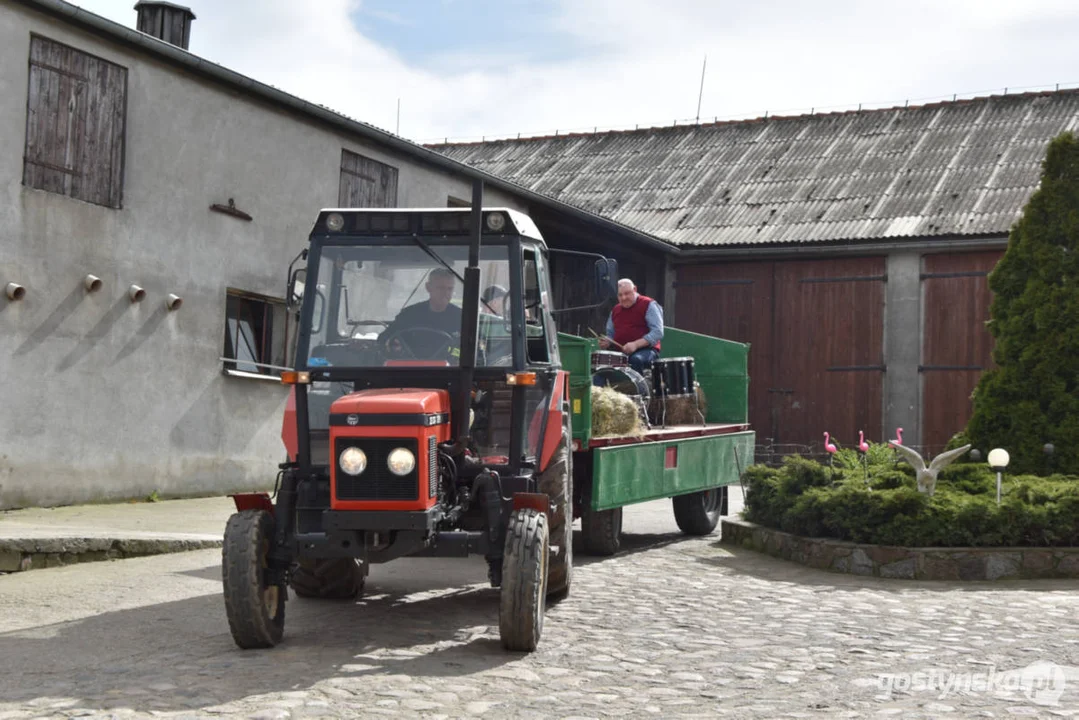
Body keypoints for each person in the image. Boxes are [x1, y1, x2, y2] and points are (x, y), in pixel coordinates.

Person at [379, 268, 462, 359]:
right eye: (440, 288)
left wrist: (453, 353)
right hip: (409, 369)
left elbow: (471, 351)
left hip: (450, 371)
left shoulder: (461, 317)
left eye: (449, 289)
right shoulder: (409, 314)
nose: (445, 293)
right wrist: (395, 346)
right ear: (428, 287)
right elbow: (384, 339)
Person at [598, 278, 664, 373]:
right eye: (620, 295)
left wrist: (636, 344)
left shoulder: (648, 304)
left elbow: (658, 332)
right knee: (600, 361)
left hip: (646, 351)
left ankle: (637, 388)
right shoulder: (615, 310)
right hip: (621, 352)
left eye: (627, 293)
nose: (623, 298)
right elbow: (610, 334)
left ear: (635, 290)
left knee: (635, 360)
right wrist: (607, 342)